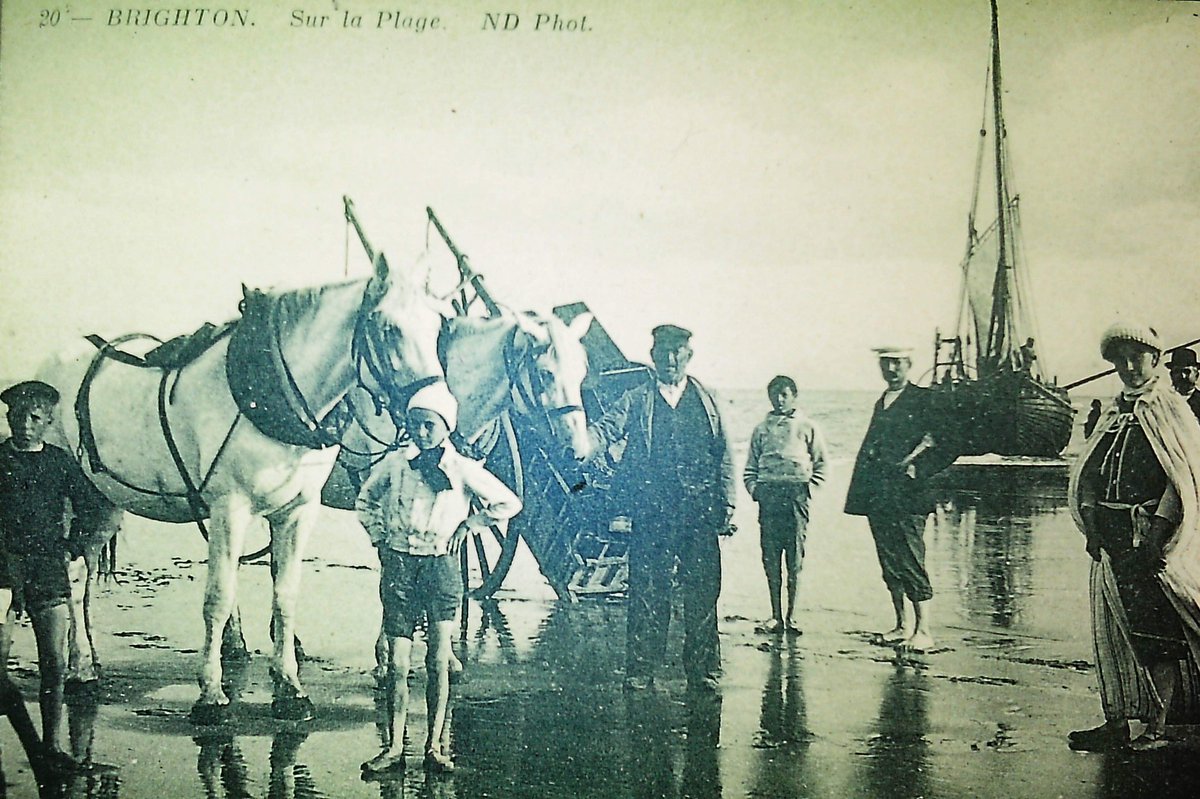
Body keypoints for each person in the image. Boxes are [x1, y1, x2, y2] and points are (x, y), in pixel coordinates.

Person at [355, 382, 521, 774]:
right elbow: (365, 500)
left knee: (437, 660)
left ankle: (433, 747)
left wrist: (471, 524)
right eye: (415, 424)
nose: (421, 432)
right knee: (397, 663)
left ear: (446, 427)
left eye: (429, 425)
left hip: (441, 569)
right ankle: (394, 747)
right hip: (399, 568)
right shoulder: (396, 463)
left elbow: (509, 502)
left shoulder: (462, 468)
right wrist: (380, 538)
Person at [1068, 323, 1200, 751]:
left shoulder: (1171, 409)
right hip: (1109, 535)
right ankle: (1118, 720)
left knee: (1155, 632)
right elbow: (1090, 469)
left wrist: (1155, 538)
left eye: (1136, 358)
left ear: (1155, 360)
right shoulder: (1114, 411)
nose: (1128, 367)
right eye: (1119, 359)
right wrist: (1090, 520)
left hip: (1147, 536)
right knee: (1112, 628)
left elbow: (1180, 480)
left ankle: (1158, 728)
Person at [587, 324, 735, 692]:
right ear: (652, 356)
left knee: (703, 591)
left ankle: (703, 670)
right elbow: (607, 429)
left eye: (677, 353)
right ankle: (641, 669)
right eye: (663, 353)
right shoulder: (638, 398)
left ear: (689, 356)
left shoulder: (708, 399)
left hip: (699, 511)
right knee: (648, 591)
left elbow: (724, 452)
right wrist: (584, 441)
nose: (670, 360)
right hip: (653, 511)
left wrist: (728, 501)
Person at [0, 380, 107, 774]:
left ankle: (53, 748)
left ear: (47, 421)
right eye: (17, 416)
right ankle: (35, 751)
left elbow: (92, 506)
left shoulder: (60, 462)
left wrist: (71, 546)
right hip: (2, 577)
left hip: (48, 572)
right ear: (8, 417)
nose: (24, 424)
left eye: (34, 417)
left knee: (54, 665)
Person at [844, 348, 956, 653]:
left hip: (909, 496)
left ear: (909, 365)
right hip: (879, 495)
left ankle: (924, 630)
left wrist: (917, 468)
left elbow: (948, 443)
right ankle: (901, 625)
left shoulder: (923, 398)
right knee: (889, 561)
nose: (891, 368)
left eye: (897, 363)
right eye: (886, 363)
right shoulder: (882, 401)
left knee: (910, 558)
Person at [743, 375, 828, 635]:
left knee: (794, 557)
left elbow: (821, 463)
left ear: (794, 396)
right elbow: (750, 467)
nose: (779, 400)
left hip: (795, 496)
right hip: (769, 495)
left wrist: (808, 489)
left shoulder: (806, 426)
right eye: (774, 395)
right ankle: (775, 616)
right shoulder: (761, 429)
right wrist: (756, 490)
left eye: (784, 394)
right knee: (770, 557)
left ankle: (792, 616)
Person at [1166, 346, 1200, 424]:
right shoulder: (1165, 401)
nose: (1182, 376)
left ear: (1196, 375)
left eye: (1187, 371)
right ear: (1171, 375)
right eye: (1177, 371)